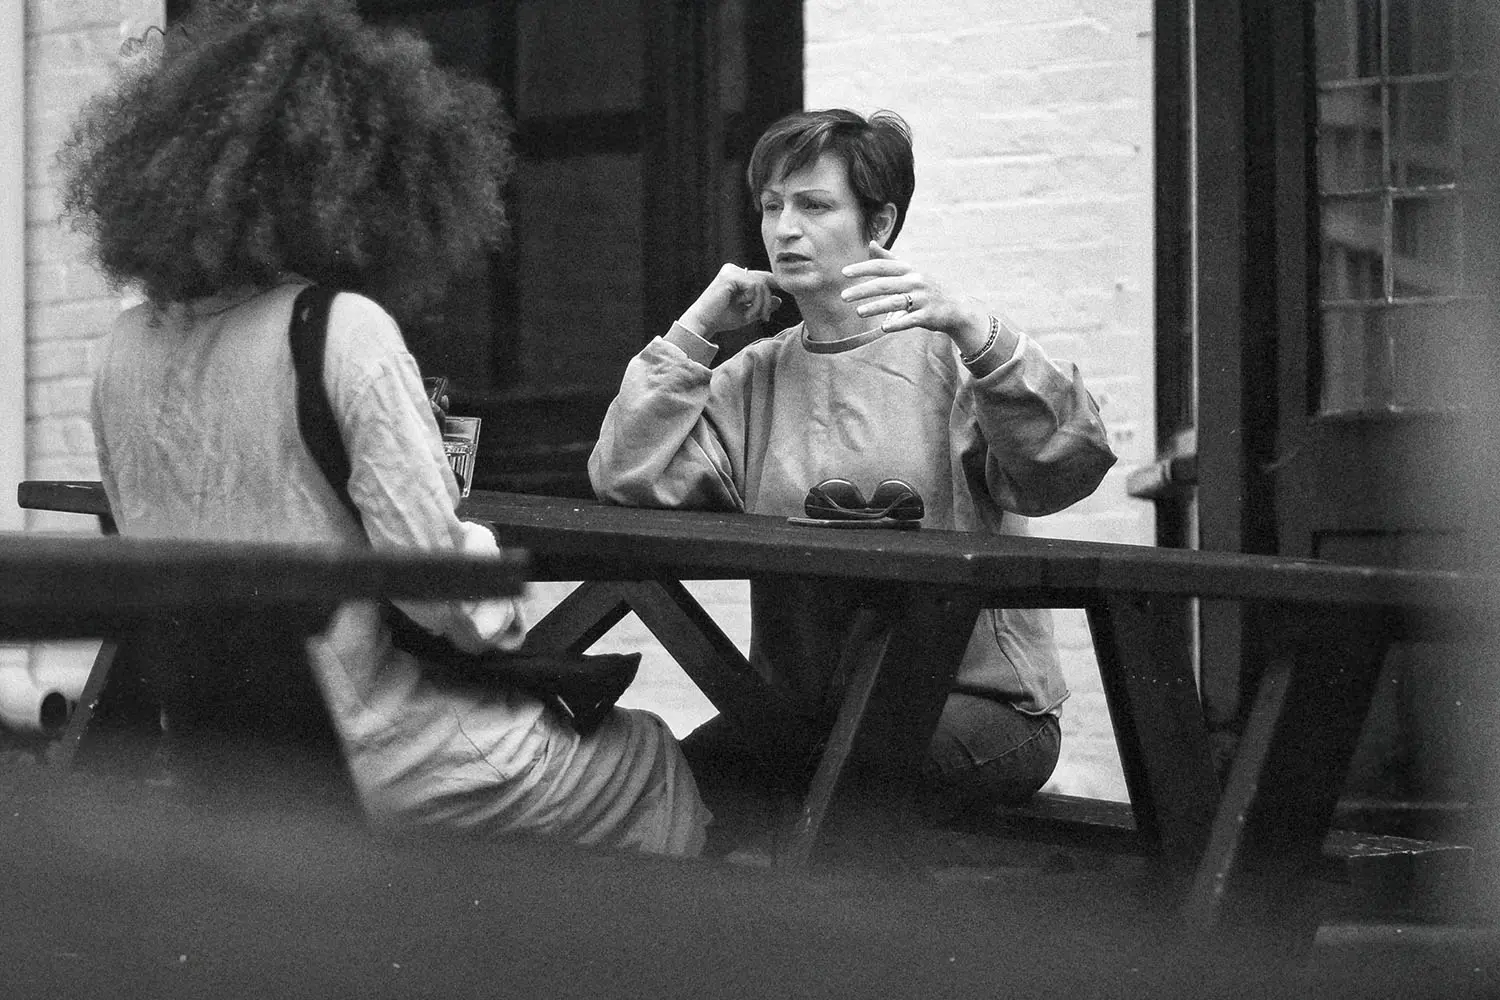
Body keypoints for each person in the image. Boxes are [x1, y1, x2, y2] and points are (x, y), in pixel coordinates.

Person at [62, 0, 708, 856]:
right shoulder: (337, 330)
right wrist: (492, 583)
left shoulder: (120, 349)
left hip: (226, 764)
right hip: (385, 755)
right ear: (347, 182)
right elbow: (441, 592)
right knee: (649, 757)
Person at [589, 108, 1116, 839]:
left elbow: (1069, 463)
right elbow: (623, 475)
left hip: (979, 706)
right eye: (771, 205)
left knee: (846, 790)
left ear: (881, 224)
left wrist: (979, 330)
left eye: (814, 205)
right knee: (668, 802)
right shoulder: (753, 379)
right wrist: (697, 327)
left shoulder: (954, 362)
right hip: (804, 715)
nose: (784, 229)